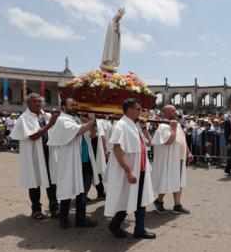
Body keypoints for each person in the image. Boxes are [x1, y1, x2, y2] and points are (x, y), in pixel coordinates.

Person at [105, 98, 156, 239]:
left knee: (140, 199)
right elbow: (117, 149)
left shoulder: (135, 125)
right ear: (129, 110)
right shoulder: (120, 125)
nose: (141, 112)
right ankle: (115, 224)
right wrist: (129, 171)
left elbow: (149, 143)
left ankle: (139, 229)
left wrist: (144, 128)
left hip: (141, 168)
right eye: (138, 109)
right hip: (131, 170)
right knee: (128, 198)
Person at [47, 98, 98, 229]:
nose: (75, 106)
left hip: (85, 161)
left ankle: (80, 219)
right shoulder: (63, 120)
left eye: (76, 104)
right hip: (71, 162)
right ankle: (63, 219)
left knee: (83, 192)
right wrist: (91, 120)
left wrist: (89, 122)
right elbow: (79, 131)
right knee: (67, 189)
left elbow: (92, 135)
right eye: (72, 105)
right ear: (64, 107)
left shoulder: (77, 119)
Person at [9, 93, 59, 219]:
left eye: (39, 101)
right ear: (28, 104)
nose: (38, 104)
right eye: (35, 101)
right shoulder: (24, 118)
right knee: (34, 181)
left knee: (52, 181)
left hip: (48, 152)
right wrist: (50, 124)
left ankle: (54, 207)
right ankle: (36, 210)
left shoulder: (46, 116)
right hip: (34, 155)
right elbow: (33, 136)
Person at [151, 105, 193, 214]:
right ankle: (159, 201)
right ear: (166, 112)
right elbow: (168, 142)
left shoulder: (176, 124)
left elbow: (182, 138)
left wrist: (188, 152)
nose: (176, 112)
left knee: (178, 182)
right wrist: (173, 128)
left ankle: (177, 205)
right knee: (167, 179)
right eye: (173, 111)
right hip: (171, 158)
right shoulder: (163, 126)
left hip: (180, 157)